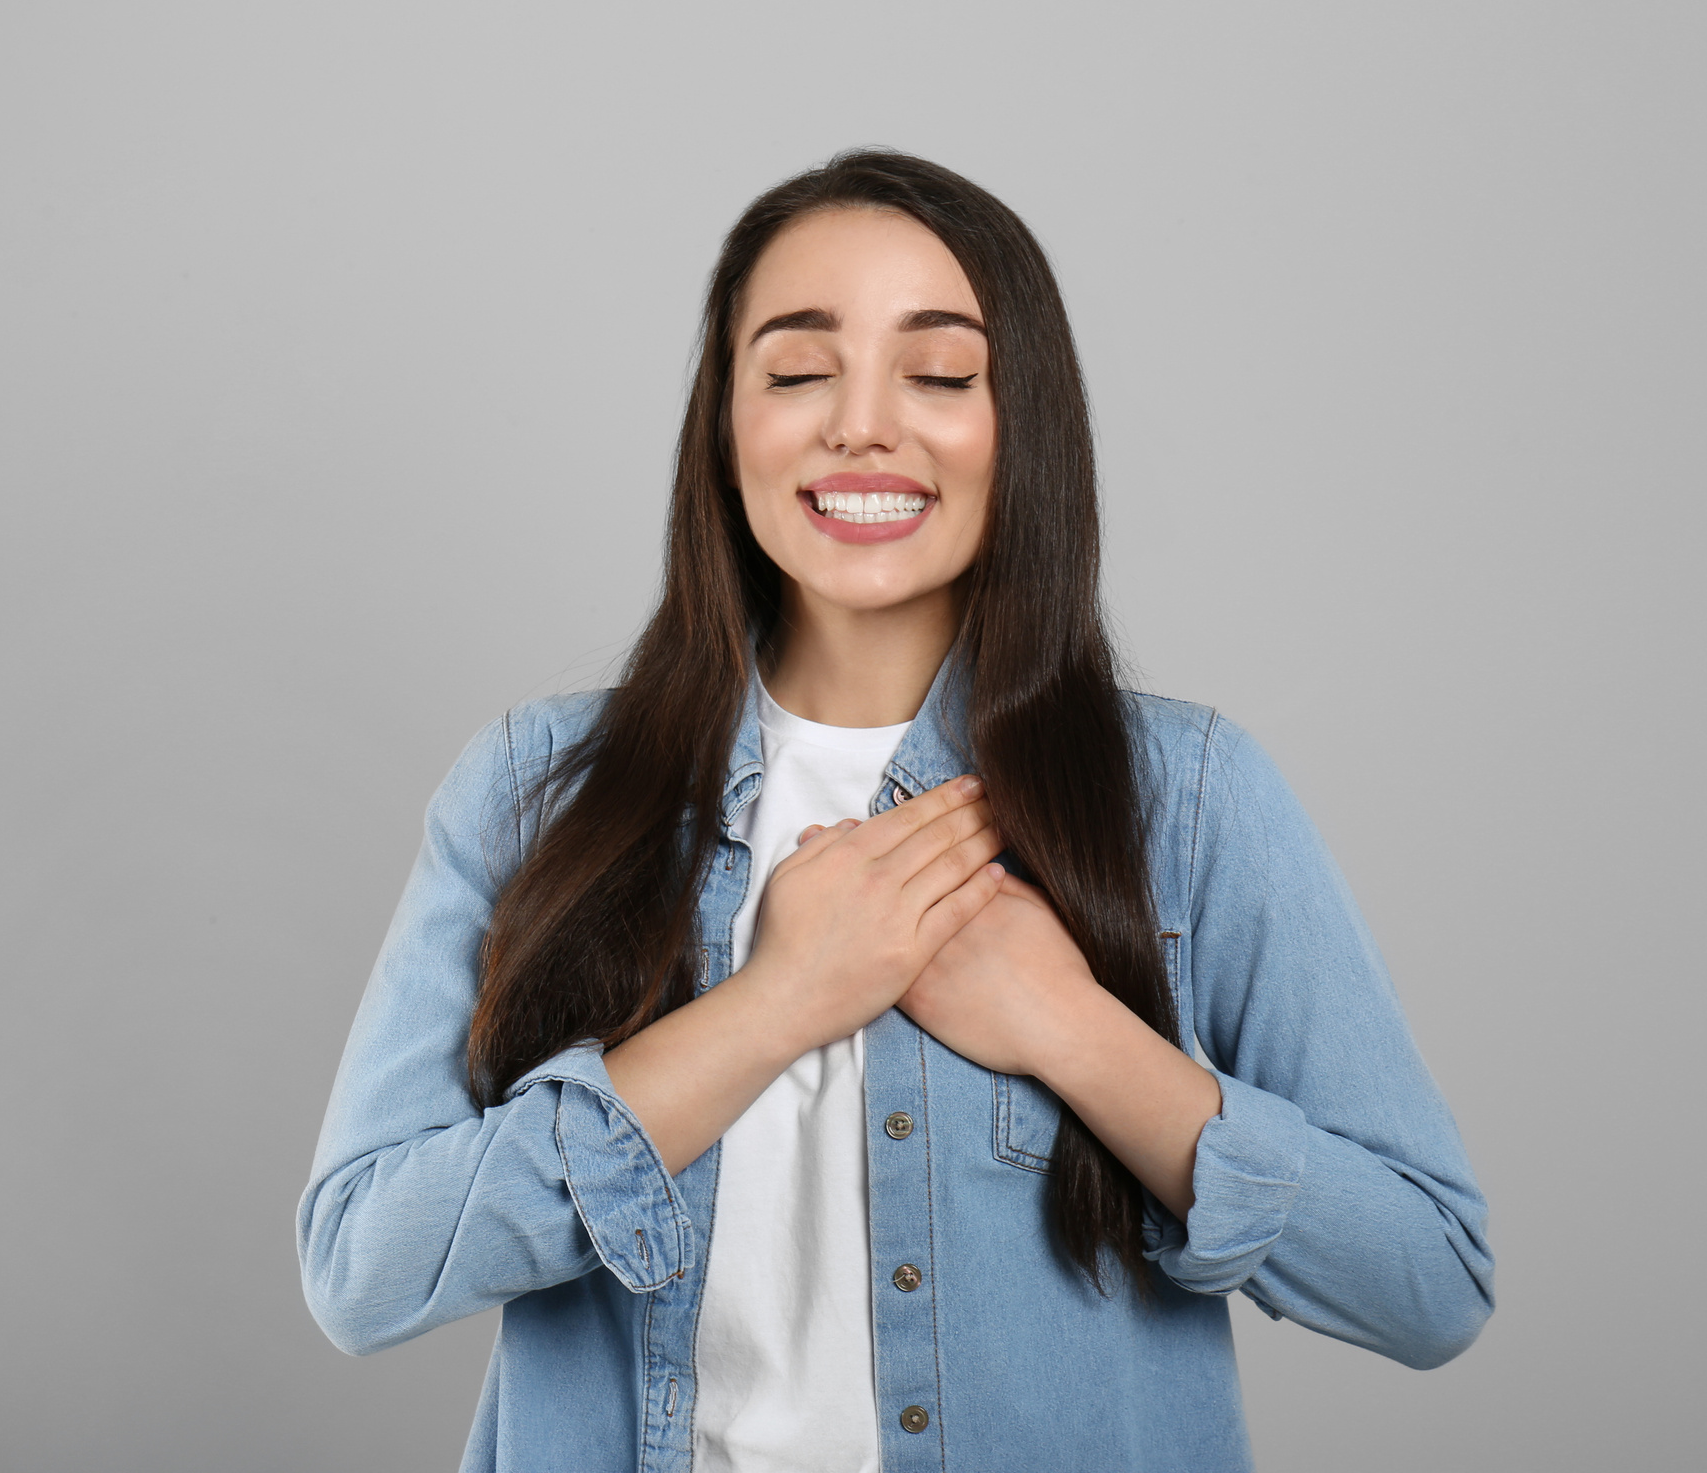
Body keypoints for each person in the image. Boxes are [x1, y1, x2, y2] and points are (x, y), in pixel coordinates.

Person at [296, 150, 1493, 1473]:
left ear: (1020, 424)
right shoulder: (535, 789)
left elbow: (1429, 1280)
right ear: (725, 425)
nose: (862, 426)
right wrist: (777, 1002)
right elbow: (362, 1269)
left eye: (939, 374)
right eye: (799, 371)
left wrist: (1070, 1028)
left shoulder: (1191, 802)